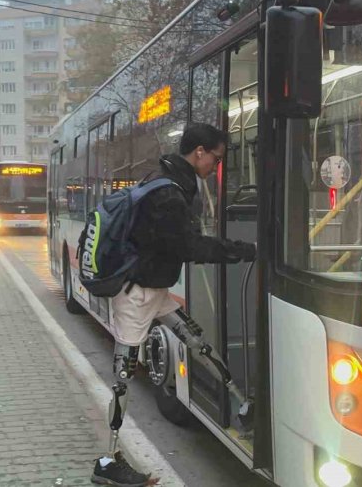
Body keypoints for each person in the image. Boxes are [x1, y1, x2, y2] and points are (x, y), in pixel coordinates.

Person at [91, 123, 256, 486]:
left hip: (155, 289)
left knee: (194, 339)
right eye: (216, 157)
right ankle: (107, 460)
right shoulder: (170, 194)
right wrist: (243, 251)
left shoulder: (168, 182)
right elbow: (189, 247)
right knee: (123, 374)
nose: (217, 165)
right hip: (137, 295)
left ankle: (242, 402)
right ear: (199, 152)